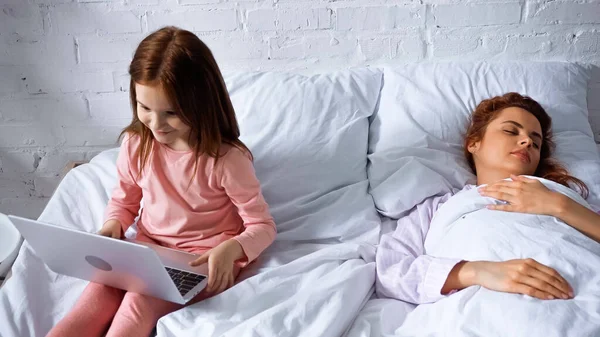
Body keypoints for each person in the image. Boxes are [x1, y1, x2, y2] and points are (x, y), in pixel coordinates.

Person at [47, 26, 276, 337]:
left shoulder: (227, 159)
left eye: (170, 112)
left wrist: (232, 249)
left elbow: (262, 226)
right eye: (145, 108)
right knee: (97, 294)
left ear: (200, 103)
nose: (156, 124)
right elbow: (124, 200)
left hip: (201, 262)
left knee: (138, 303)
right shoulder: (136, 145)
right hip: (146, 252)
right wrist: (113, 225)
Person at [376, 92, 600, 305]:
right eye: (511, 131)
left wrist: (559, 205)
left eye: (536, 142)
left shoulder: (565, 196)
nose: (527, 142)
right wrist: (477, 271)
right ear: (474, 143)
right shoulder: (438, 207)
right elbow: (392, 270)